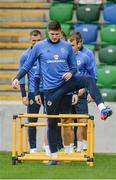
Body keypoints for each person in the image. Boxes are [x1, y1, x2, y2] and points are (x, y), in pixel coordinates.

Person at [12, 20, 112, 165]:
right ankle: (53, 155)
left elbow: (73, 67)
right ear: (48, 32)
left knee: (89, 79)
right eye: (52, 34)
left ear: (60, 32)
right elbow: (27, 66)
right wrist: (17, 78)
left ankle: (103, 109)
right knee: (52, 122)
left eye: (57, 34)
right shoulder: (39, 46)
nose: (54, 37)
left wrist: (71, 73)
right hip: (51, 90)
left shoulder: (66, 46)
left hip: (67, 84)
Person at [69, 32, 97, 152]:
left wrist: (90, 92)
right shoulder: (64, 57)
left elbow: (93, 75)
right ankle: (69, 148)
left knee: (82, 121)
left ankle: (82, 147)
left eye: (73, 45)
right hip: (67, 93)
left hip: (81, 92)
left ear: (79, 44)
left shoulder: (85, 56)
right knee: (67, 121)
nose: (70, 47)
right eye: (69, 45)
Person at [19, 29, 44, 153]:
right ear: (30, 40)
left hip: (49, 90)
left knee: (53, 119)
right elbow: (22, 76)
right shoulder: (25, 56)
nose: (36, 43)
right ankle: (33, 148)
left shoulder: (47, 53)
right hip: (33, 92)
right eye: (34, 40)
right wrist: (24, 95)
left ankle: (50, 147)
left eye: (39, 40)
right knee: (32, 120)